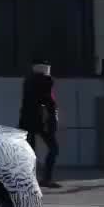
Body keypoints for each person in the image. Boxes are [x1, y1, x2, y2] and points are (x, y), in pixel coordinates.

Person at [19, 57, 61, 189]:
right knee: (53, 148)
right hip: (41, 121)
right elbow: (49, 102)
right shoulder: (46, 81)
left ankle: (27, 180)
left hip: (27, 121)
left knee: (29, 152)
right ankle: (46, 179)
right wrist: (53, 117)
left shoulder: (28, 81)